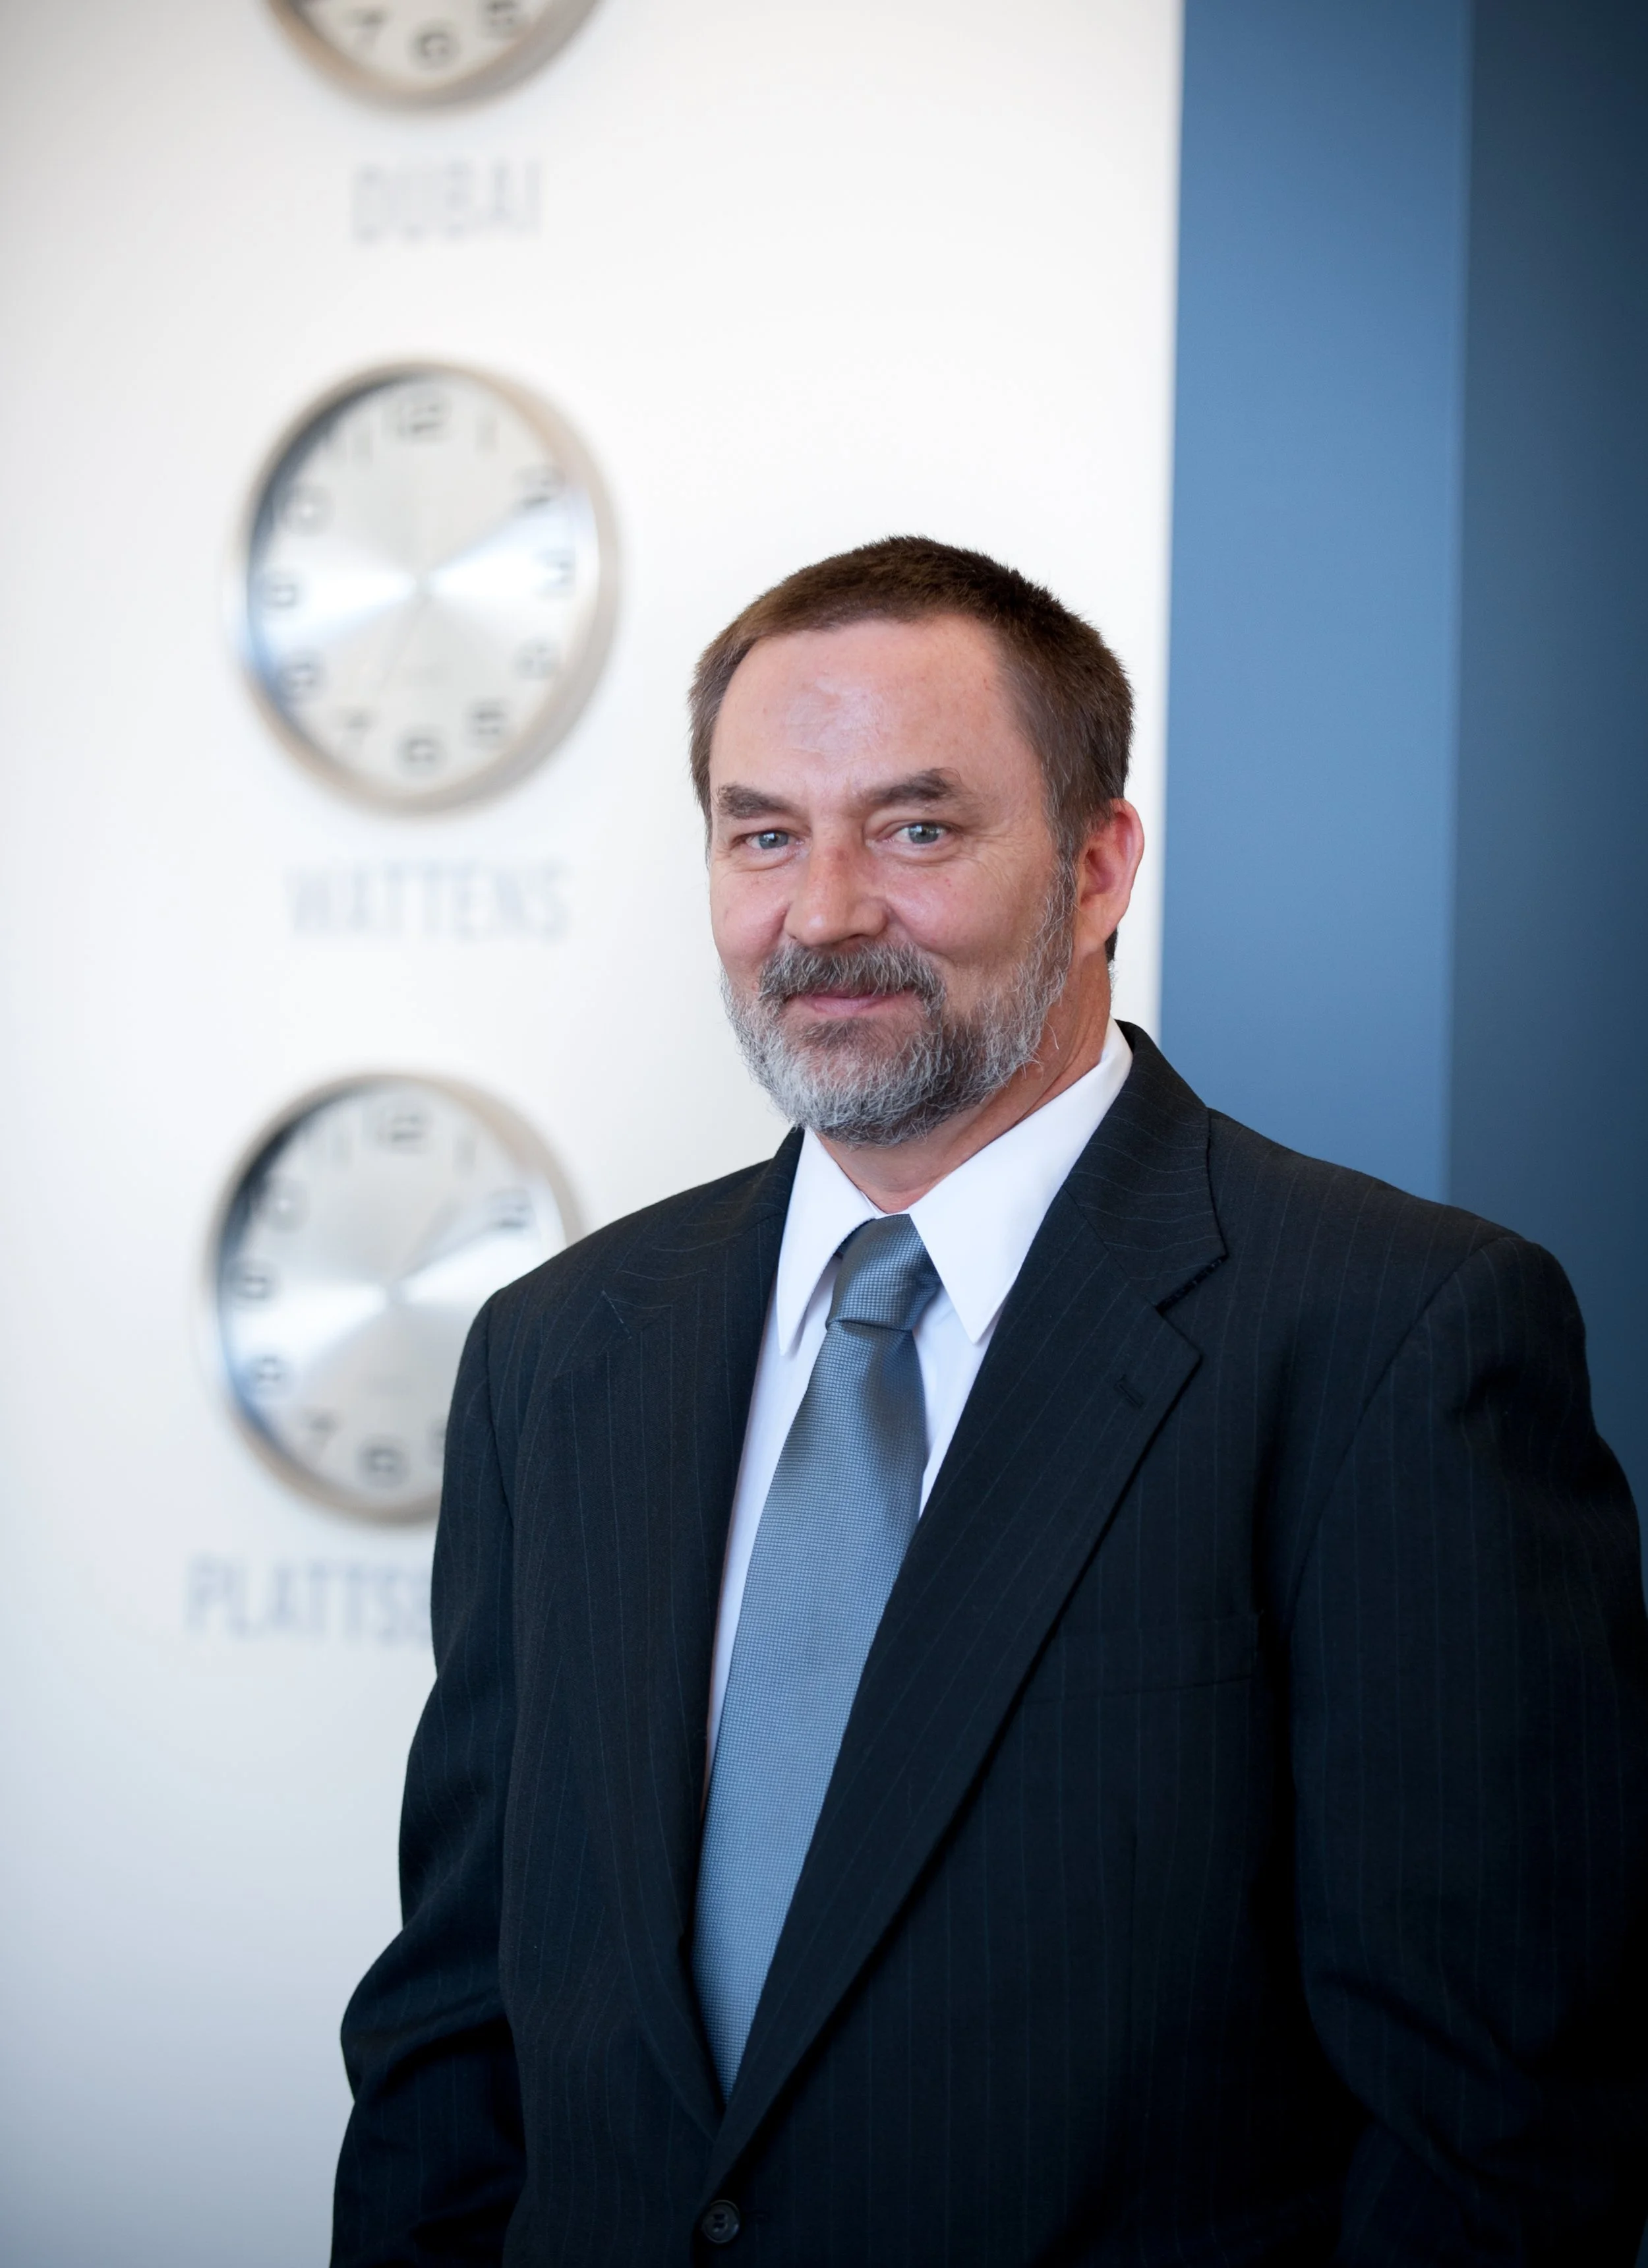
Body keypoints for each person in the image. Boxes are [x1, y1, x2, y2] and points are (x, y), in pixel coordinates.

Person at [332, 537, 1648, 2266]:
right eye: (763, 833)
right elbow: (456, 2035)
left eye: (917, 828)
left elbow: (1490, 2132)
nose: (821, 916)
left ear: (1097, 870)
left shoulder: (1392, 1338)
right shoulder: (560, 1351)